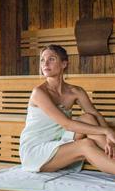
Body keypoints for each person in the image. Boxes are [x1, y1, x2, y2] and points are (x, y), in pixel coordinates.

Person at [20, 44, 115, 174]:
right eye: (42, 60)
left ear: (64, 64)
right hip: (36, 151)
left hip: (59, 142)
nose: (45, 63)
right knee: (86, 145)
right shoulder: (39, 92)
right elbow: (67, 124)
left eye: (51, 59)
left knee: (89, 118)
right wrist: (106, 130)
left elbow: (95, 114)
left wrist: (110, 138)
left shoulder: (75, 91)